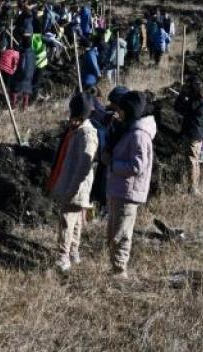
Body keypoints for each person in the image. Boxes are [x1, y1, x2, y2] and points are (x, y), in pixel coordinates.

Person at [105, 90, 156, 278]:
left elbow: (137, 166)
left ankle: (119, 271)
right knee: (114, 231)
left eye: (122, 110)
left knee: (121, 233)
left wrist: (113, 164)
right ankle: (115, 267)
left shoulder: (139, 135)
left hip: (128, 190)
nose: (118, 113)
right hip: (120, 188)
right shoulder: (130, 131)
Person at [49, 93, 99, 273]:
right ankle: (74, 252)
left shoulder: (86, 135)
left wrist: (72, 189)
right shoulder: (76, 132)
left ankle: (64, 257)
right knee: (76, 220)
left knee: (67, 221)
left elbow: (84, 166)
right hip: (74, 184)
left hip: (76, 187)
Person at [176, 76, 203, 195]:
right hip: (201, 133)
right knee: (196, 160)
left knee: (191, 160)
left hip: (192, 134)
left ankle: (193, 188)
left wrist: (182, 95)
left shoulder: (192, 104)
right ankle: (194, 185)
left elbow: (178, 108)